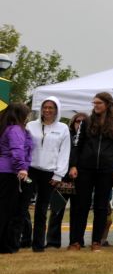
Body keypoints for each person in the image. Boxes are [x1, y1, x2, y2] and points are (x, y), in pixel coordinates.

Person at [68, 92, 113, 251]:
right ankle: (76, 241)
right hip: (85, 168)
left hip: (106, 170)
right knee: (81, 205)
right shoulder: (86, 122)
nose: (95, 106)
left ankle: (97, 241)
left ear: (108, 104)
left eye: (99, 103)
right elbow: (77, 145)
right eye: (94, 103)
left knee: (101, 206)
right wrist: (73, 165)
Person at [26, 97, 70, 252]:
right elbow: (24, 147)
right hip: (31, 170)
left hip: (49, 174)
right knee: (22, 206)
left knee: (41, 210)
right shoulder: (31, 125)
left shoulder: (63, 128)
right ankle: (21, 240)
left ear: (56, 110)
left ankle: (37, 245)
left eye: (51, 107)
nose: (47, 110)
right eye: (45, 107)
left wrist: (58, 175)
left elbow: (64, 153)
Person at [47, 112, 86, 248]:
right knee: (57, 210)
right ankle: (52, 242)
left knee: (78, 212)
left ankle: (76, 241)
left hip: (81, 180)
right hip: (63, 178)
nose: (80, 124)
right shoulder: (65, 135)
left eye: (83, 122)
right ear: (72, 122)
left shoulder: (88, 138)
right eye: (77, 121)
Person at [0, 103, 32, 253]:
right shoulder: (15, 129)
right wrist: (22, 168)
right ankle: (5, 245)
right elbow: (17, 149)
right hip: (10, 172)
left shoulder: (5, 127)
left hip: (3, 170)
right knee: (8, 210)